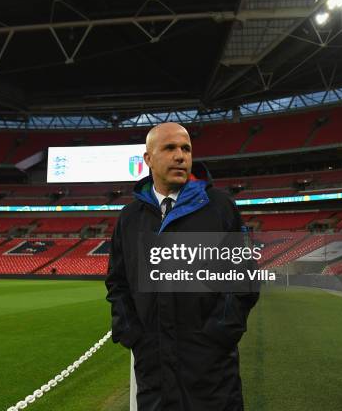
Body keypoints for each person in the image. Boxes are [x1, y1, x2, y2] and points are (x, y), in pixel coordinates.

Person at [105, 122, 259, 411]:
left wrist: (217, 337)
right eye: (170, 148)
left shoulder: (219, 207)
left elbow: (243, 278)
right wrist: (133, 334)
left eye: (185, 148)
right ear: (148, 159)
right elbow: (118, 282)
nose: (180, 156)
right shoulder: (129, 217)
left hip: (210, 371)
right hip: (154, 370)